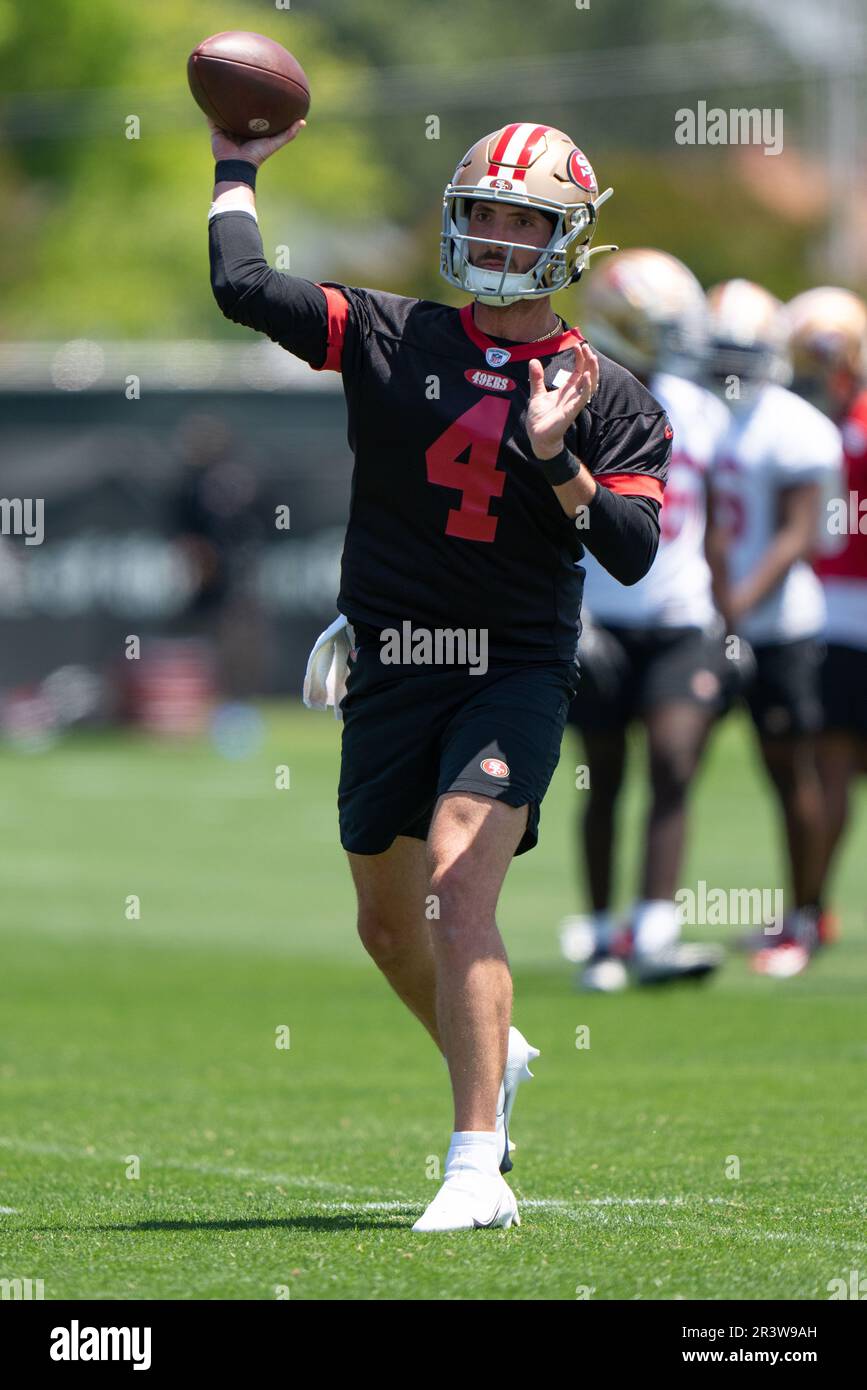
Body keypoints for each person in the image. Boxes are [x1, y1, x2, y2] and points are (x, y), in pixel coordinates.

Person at [207, 118, 671, 1230]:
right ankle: (491, 1044)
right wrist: (235, 161)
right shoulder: (388, 331)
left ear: (569, 241)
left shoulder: (610, 392)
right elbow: (242, 286)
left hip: (513, 664)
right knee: (386, 921)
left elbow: (630, 551)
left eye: (527, 220)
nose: (502, 236)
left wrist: (556, 458)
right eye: (487, 215)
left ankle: (474, 1167)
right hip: (393, 657)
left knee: (461, 885)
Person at [561, 249, 730, 990]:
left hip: (679, 615)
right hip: (600, 615)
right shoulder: (577, 399)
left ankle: (654, 928)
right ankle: (603, 934)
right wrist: (567, 612)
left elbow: (716, 521)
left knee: (673, 760)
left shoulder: (701, 409)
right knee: (603, 778)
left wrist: (729, 616)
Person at [705, 280, 843, 977]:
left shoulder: (796, 427)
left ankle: (804, 917)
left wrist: (733, 605)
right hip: (700, 621)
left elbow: (798, 538)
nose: (728, 369)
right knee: (668, 765)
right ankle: (645, 922)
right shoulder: (685, 412)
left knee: (792, 770)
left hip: (780, 626)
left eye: (741, 354)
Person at [785, 287, 867, 944]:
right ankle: (810, 911)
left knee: (829, 768)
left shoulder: (830, 425)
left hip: (844, 617)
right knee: (827, 767)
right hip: (831, 614)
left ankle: (808, 914)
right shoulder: (816, 422)